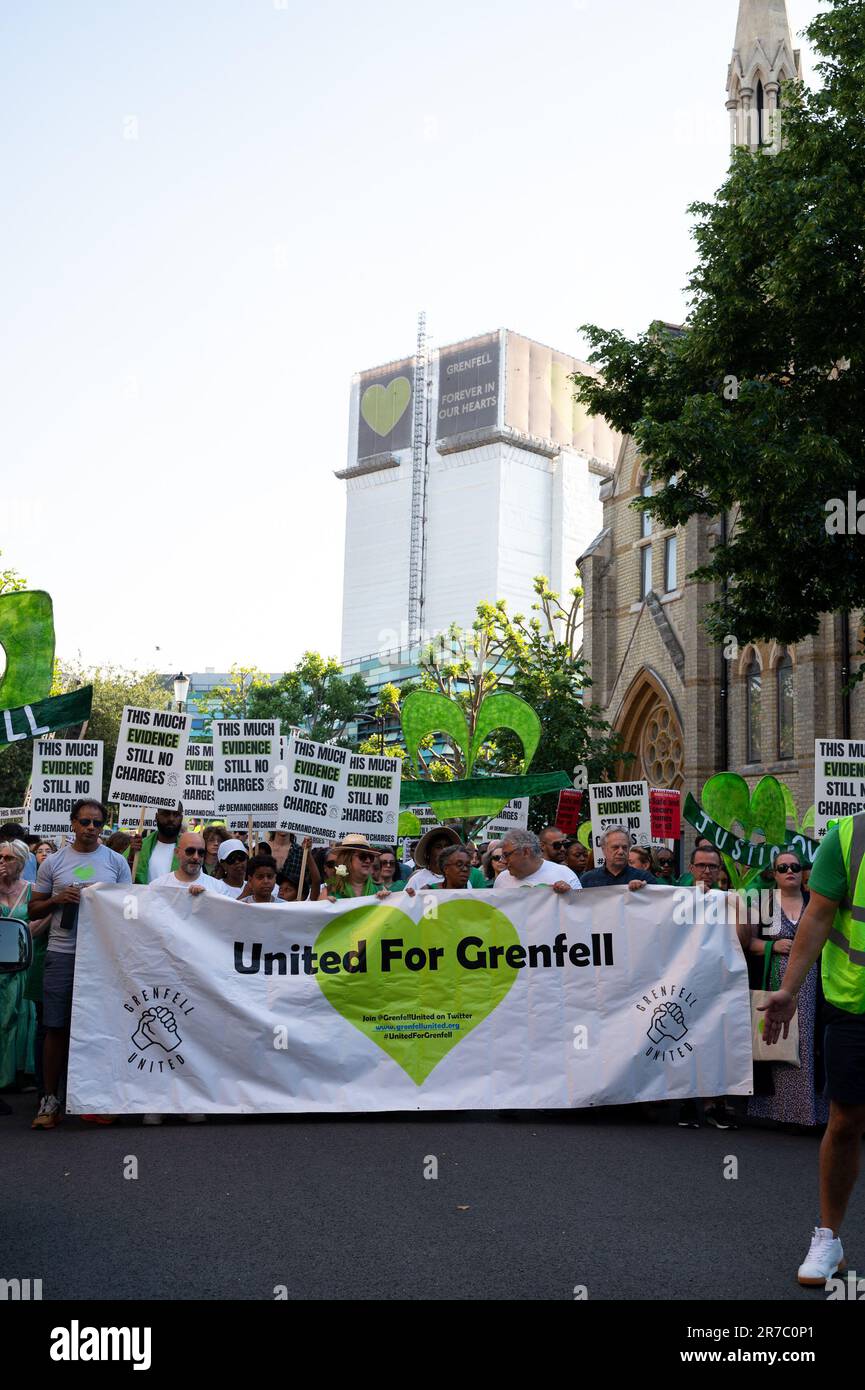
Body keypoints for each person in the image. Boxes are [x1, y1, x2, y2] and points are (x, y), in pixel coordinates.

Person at [760, 810, 865, 1285]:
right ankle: (829, 1237)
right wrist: (788, 989)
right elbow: (818, 915)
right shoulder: (848, 836)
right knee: (845, 1120)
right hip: (855, 1001)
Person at [30, 799, 131, 1131]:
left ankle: (99, 1097)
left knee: (101, 1026)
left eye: (97, 823)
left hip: (102, 955)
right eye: (85, 822)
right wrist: (58, 900)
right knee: (55, 1026)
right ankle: (50, 1098)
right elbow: (33, 909)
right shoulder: (53, 863)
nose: (91, 828)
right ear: (72, 823)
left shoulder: (116, 862)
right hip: (63, 952)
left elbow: (130, 910)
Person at [747, 852, 827, 1130]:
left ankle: (809, 1110)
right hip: (775, 980)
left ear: (803, 872)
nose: (790, 871)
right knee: (778, 1038)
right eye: (783, 867)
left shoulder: (814, 903)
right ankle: (778, 1109)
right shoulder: (764, 904)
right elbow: (749, 943)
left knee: (809, 1041)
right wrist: (773, 946)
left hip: (813, 980)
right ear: (774, 874)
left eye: (795, 866)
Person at [676, 843, 745, 1132]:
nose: (706, 871)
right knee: (682, 1040)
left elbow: (742, 939)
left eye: (712, 867)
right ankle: (687, 1100)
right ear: (691, 869)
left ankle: (714, 1104)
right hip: (681, 982)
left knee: (716, 1041)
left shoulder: (730, 900)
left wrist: (736, 905)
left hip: (718, 982)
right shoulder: (674, 898)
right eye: (701, 866)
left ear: (719, 871)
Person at [0, 840, 36, 1098]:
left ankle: (18, 1073)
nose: (3, 862)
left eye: (9, 858)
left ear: (21, 862)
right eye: (0, 857)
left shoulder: (31, 891)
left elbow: (45, 915)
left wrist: (25, 936)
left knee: (21, 1019)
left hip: (21, 965)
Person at [149, 830, 235, 896]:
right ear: (177, 852)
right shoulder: (158, 886)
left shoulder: (219, 889)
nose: (196, 857)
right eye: (190, 851)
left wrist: (208, 898)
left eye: (201, 852)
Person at [493, 829, 581, 893]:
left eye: (506, 855)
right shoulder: (501, 879)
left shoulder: (565, 874)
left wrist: (569, 895)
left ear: (526, 852)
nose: (503, 861)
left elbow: (579, 910)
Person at [404, 827, 487, 892]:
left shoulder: (464, 882)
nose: (444, 850)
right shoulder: (417, 880)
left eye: (447, 846)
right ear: (428, 852)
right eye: (438, 847)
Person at [580, 828, 655, 890]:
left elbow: (656, 903)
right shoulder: (587, 880)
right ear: (604, 849)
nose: (621, 851)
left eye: (625, 847)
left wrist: (644, 890)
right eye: (615, 847)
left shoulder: (644, 878)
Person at [127, 805, 185, 883]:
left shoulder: (190, 850)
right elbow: (123, 878)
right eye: (166, 814)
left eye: (176, 814)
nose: (171, 819)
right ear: (156, 816)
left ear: (181, 818)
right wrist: (131, 858)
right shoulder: (139, 846)